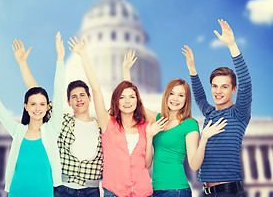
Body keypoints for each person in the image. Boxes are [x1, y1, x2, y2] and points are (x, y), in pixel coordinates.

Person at [67, 37, 167, 197]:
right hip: (114, 192)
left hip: (143, 193)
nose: (127, 101)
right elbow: (96, 90)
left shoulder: (145, 127)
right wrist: (84, 55)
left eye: (132, 97)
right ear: (116, 101)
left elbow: (146, 165)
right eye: (122, 97)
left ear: (137, 100)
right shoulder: (108, 124)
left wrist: (149, 137)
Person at [0, 32, 65, 196]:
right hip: (17, 191)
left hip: (44, 192)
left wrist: (60, 58)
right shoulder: (18, 131)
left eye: (42, 104)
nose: (38, 108)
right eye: (33, 104)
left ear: (48, 106)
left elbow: (59, 90)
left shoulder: (52, 128)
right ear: (25, 107)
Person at [122, 51, 227, 197]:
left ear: (186, 100)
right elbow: (135, 104)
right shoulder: (159, 119)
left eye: (181, 95)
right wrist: (126, 72)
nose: (175, 99)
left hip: (176, 190)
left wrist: (204, 139)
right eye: (172, 93)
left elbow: (194, 164)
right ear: (166, 95)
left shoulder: (189, 124)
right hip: (155, 189)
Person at [11, 37, 103, 197]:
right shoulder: (61, 121)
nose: (79, 99)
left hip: (91, 190)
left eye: (82, 95)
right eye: (74, 96)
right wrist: (22, 64)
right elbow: (36, 92)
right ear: (68, 102)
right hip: (62, 189)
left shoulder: (101, 126)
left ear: (89, 98)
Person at [182, 19, 252, 197]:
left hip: (228, 191)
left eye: (224, 86)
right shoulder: (209, 113)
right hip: (207, 192)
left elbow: (246, 83)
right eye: (214, 86)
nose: (218, 91)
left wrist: (232, 45)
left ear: (233, 89)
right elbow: (198, 97)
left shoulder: (239, 113)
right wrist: (192, 69)